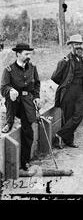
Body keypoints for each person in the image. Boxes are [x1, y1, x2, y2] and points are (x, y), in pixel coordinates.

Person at [51, 34, 83, 149]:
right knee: (68, 117)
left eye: (80, 45)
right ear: (70, 46)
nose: (78, 47)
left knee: (78, 116)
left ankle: (59, 135)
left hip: (79, 91)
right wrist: (65, 83)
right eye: (76, 45)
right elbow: (54, 77)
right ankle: (68, 141)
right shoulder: (65, 61)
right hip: (68, 92)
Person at [0, 43, 41, 171]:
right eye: (26, 54)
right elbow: (3, 88)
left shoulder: (32, 68)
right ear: (18, 54)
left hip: (27, 102)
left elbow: (37, 85)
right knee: (10, 96)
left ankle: (25, 161)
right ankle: (9, 122)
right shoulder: (9, 69)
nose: (28, 56)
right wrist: (10, 90)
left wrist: (36, 97)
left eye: (29, 54)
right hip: (14, 103)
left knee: (28, 131)